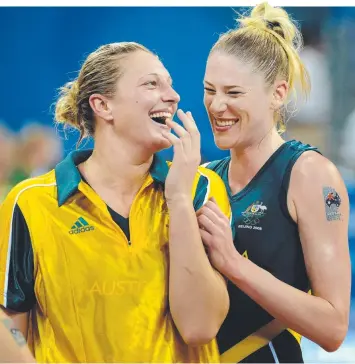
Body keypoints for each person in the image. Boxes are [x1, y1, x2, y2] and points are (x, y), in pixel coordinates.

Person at [0, 42, 231, 363]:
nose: (173, 96)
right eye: (152, 83)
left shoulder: (201, 189)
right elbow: (10, 327)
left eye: (170, 84)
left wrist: (178, 200)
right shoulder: (31, 203)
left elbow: (199, 327)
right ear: (102, 105)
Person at [196, 3, 351, 363]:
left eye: (233, 93)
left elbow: (332, 327)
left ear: (278, 94)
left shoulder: (309, 174)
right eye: (210, 90)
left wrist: (234, 264)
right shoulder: (205, 177)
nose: (217, 105)